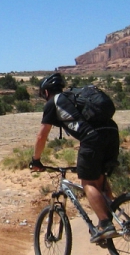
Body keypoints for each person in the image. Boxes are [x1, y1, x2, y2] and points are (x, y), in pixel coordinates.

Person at [28, 73, 121, 243]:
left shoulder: (53, 102)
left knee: (88, 183)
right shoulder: (73, 99)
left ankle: (107, 225)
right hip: (112, 133)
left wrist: (36, 160)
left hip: (92, 138)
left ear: (46, 92)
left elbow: (42, 136)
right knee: (100, 182)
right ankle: (119, 220)